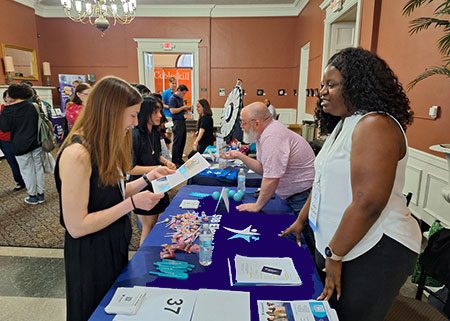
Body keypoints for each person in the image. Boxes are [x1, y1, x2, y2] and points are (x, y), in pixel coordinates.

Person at [280, 47, 422, 321]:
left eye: (331, 84)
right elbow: (322, 182)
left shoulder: (374, 125)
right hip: (342, 245)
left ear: (358, 86)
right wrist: (302, 219)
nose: (322, 91)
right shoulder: (346, 123)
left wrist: (335, 254)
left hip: (375, 248)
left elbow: (368, 202)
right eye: (323, 84)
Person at [54, 76, 175, 321]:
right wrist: (131, 204)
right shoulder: (78, 153)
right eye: (131, 115)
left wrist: (147, 179)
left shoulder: (104, 145)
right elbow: (77, 226)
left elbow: (112, 194)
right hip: (91, 254)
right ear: (110, 111)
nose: (134, 123)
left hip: (113, 242)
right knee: (93, 311)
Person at [221, 102, 315, 215]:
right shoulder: (264, 133)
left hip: (301, 198)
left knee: (304, 232)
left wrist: (257, 206)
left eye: (243, 123)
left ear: (256, 123)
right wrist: (239, 155)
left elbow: (271, 178)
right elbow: (263, 168)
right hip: (294, 195)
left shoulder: (272, 137)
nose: (241, 126)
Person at [129, 95, 176, 245]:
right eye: (155, 112)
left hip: (158, 184)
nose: (160, 116)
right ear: (145, 113)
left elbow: (157, 155)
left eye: (160, 111)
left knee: (158, 224)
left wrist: (166, 162)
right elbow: (130, 168)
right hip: (141, 186)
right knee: (148, 227)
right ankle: (143, 262)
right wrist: (155, 169)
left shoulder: (155, 132)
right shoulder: (134, 135)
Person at [0, 83, 45, 205]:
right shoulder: (33, 106)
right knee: (38, 168)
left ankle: (33, 196)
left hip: (19, 145)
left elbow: (4, 128)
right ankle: (41, 194)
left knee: (26, 170)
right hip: (36, 142)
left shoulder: (7, 110)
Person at [0, 91, 25, 191]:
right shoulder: (2, 108)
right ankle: (19, 181)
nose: (10, 99)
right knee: (12, 162)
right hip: (4, 140)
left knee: (23, 161)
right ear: (4, 98)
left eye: (13, 97)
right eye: (8, 97)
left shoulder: (20, 109)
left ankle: (28, 180)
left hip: (18, 139)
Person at [169, 84, 191, 167]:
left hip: (182, 120)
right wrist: (182, 108)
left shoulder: (180, 99)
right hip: (177, 122)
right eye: (183, 93)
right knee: (177, 141)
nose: (183, 95)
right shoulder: (172, 99)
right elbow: (172, 111)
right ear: (178, 90)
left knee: (182, 141)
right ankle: (174, 161)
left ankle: (179, 158)